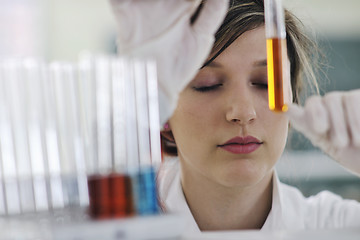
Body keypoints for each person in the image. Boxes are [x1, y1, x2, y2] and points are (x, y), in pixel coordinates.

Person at [110, 0, 360, 232]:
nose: (243, 113)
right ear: (163, 113)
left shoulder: (337, 227)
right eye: (207, 84)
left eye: (265, 83)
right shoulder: (118, 227)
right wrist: (138, 107)